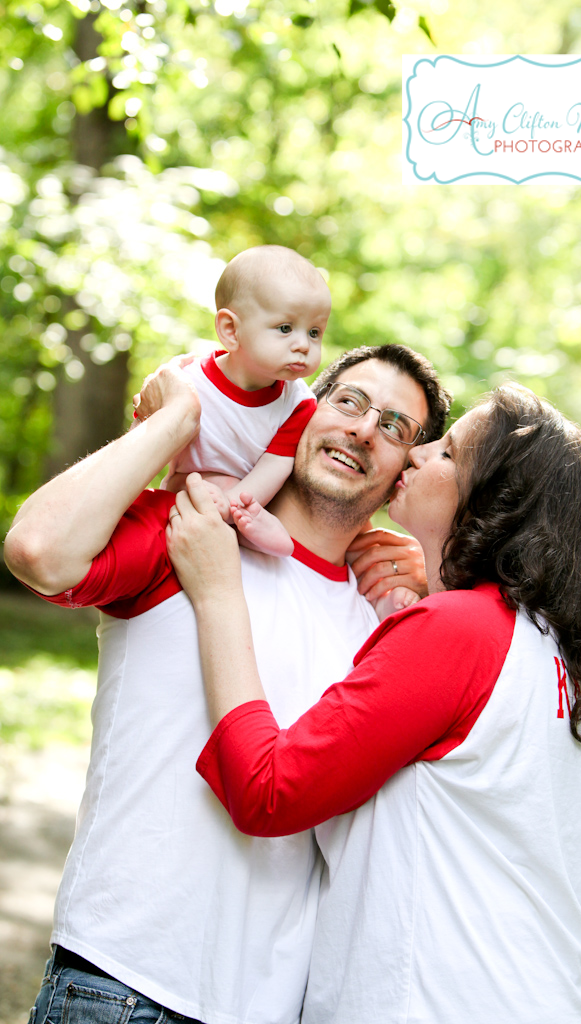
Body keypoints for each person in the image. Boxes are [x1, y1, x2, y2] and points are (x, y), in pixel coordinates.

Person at [4, 343, 451, 1024]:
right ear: (301, 414)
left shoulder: (389, 623)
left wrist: (429, 583)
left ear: (400, 478)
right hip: (123, 984)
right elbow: (38, 549)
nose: (362, 429)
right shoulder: (192, 527)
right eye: (348, 402)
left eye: (394, 427)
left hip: (271, 1008)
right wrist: (172, 420)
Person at [166, 384, 581, 1024]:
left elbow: (268, 790)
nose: (415, 454)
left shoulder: (459, 631)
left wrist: (217, 592)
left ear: (493, 501)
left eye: (447, 453)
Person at [160, 244, 330, 557]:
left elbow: (276, 465)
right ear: (231, 330)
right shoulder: (189, 379)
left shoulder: (298, 403)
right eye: (285, 328)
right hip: (185, 483)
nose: (304, 345)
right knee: (165, 505)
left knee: (278, 541)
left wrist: (234, 501)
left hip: (246, 494)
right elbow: (154, 438)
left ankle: (250, 529)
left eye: (315, 332)